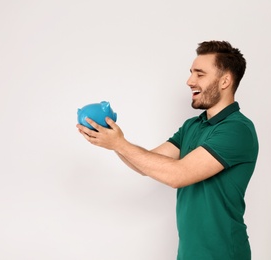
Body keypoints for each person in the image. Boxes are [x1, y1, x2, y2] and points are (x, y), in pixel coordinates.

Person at [76, 40, 259, 260]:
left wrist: (118, 143)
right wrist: (110, 139)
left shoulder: (237, 129)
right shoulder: (193, 125)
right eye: (191, 73)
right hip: (189, 254)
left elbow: (178, 175)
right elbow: (145, 165)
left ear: (225, 81)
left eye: (200, 74)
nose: (189, 81)